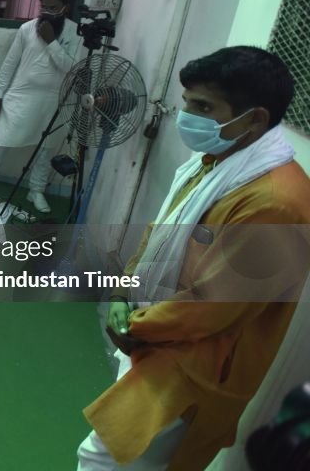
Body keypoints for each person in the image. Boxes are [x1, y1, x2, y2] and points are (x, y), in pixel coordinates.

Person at [77, 46, 310, 470]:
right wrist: (124, 290)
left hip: (195, 363)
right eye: (187, 103)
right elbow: (159, 234)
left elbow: (214, 307)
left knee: (105, 459)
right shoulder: (216, 163)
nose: (186, 117)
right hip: (156, 338)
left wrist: (135, 325)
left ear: (255, 118)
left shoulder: (275, 204)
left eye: (203, 107)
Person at [0, 0, 81, 213]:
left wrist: (51, 42)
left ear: (65, 7)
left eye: (54, 7)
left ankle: (36, 191)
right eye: (44, 7)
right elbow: (10, 63)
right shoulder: (27, 28)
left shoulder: (74, 32)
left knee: (45, 149)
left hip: (53, 98)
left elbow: (71, 68)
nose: (48, 11)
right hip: (21, 95)